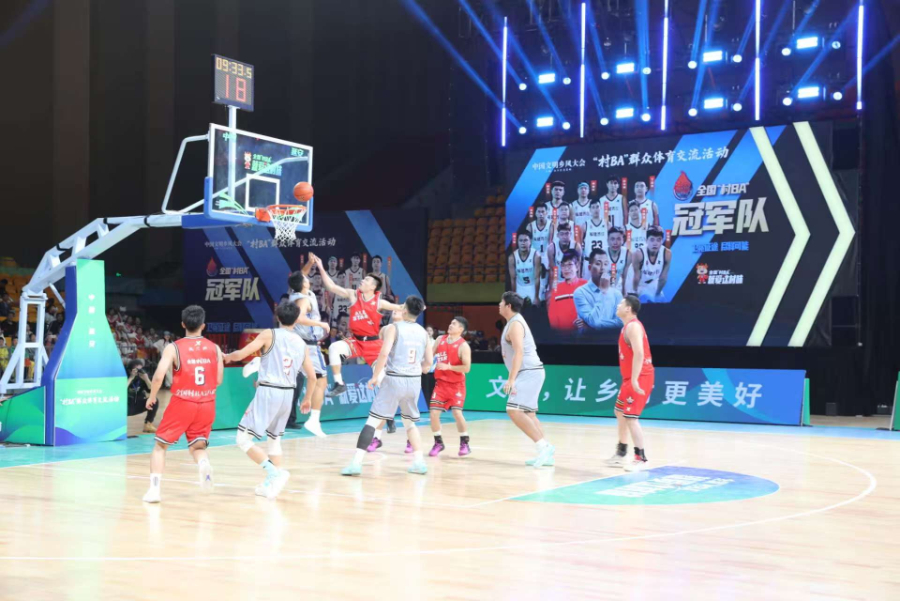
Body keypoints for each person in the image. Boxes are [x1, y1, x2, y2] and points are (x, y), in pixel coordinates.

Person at [224, 300, 316, 499]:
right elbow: (312, 377)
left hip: (269, 391)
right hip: (288, 394)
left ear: (277, 317)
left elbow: (241, 354)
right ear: (296, 320)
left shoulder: (269, 334)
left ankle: (274, 473)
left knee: (242, 439)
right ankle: (272, 485)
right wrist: (307, 398)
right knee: (274, 440)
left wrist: (226, 356)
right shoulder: (302, 344)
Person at [341, 296, 432, 477]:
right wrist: (417, 369)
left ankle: (356, 463)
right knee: (410, 424)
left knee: (372, 422)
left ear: (404, 309)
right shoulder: (423, 333)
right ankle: (419, 462)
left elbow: (383, 353)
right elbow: (428, 362)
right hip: (414, 381)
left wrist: (375, 376)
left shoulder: (394, 328)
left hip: (394, 379)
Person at [143, 305, 223, 504]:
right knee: (197, 447)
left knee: (160, 447)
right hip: (207, 402)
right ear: (203, 325)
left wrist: (152, 396)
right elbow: (219, 379)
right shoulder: (215, 348)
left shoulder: (174, 347)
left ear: (183, 324)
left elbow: (158, 376)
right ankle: (203, 464)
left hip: (183, 402)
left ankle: (154, 490)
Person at [312, 253, 403, 397]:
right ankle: (339, 384)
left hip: (373, 345)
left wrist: (415, 306)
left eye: (366, 280)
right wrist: (321, 267)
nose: (362, 280)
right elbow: (331, 286)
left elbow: (400, 308)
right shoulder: (353, 295)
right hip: (356, 341)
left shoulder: (379, 302)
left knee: (382, 381)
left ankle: (394, 407)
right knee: (334, 348)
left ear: (373, 286)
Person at [498, 292, 554, 467]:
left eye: (501, 302)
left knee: (513, 410)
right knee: (529, 414)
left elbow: (519, 352)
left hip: (528, 371)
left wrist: (511, 379)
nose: (499, 305)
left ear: (508, 306)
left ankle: (543, 447)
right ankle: (546, 454)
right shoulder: (512, 322)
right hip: (530, 371)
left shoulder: (515, 324)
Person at [606, 295, 654, 471]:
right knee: (619, 412)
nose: (617, 306)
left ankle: (641, 458)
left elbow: (639, 353)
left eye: (620, 303)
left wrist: (634, 379)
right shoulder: (627, 326)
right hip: (630, 378)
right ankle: (621, 453)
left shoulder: (633, 326)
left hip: (640, 377)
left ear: (628, 308)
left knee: (631, 418)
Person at [287, 266, 331, 437]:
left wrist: (311, 263)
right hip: (308, 346)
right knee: (321, 381)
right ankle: (314, 419)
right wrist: (320, 324)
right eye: (305, 278)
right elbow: (299, 318)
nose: (308, 278)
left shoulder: (297, 294)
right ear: (303, 284)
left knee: (290, 381)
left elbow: (299, 277)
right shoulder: (303, 300)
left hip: (296, 344)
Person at [427, 316, 472, 457]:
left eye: (454, 324)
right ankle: (438, 442)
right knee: (433, 414)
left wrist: (449, 367)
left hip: (456, 385)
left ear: (461, 329)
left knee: (457, 413)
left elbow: (467, 368)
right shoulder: (440, 339)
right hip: (441, 384)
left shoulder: (463, 346)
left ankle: (465, 443)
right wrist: (424, 364)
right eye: (451, 323)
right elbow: (430, 355)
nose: (450, 325)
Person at [574, 250, 624, 330]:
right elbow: (594, 321)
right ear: (590, 268)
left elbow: (621, 323)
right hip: (589, 338)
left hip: (611, 337)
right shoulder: (580, 292)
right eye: (598, 264)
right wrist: (603, 292)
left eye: (605, 264)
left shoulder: (616, 294)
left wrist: (591, 326)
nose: (602, 268)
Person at [547, 250, 588, 332]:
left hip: (583, 335)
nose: (566, 269)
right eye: (563, 265)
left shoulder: (586, 286)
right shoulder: (556, 288)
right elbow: (552, 316)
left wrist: (585, 324)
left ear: (577, 266)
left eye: (569, 265)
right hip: (562, 335)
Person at [631, 226, 671, 303]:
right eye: (652, 240)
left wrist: (658, 294)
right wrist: (635, 293)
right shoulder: (638, 254)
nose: (655, 243)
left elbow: (663, 278)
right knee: (645, 300)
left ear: (662, 241)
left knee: (663, 303)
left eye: (658, 240)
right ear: (646, 240)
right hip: (639, 284)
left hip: (653, 283)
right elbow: (636, 276)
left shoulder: (667, 253)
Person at [526, 204, 552, 301]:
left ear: (547, 213)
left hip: (545, 253)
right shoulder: (530, 226)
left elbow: (550, 242)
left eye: (543, 211)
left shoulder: (551, 224)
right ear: (535, 213)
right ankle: (533, 295)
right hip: (534, 253)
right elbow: (527, 243)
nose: (541, 214)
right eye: (539, 212)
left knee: (546, 275)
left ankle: (544, 294)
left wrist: (547, 256)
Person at [508, 230, 540, 304]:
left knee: (537, 303)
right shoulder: (512, 258)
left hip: (532, 285)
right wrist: (514, 295)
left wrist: (536, 296)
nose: (523, 243)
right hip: (520, 286)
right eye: (521, 240)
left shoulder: (536, 256)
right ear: (517, 242)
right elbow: (513, 279)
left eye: (525, 240)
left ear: (530, 241)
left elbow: (537, 278)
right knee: (516, 306)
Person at [547, 223, 583, 289]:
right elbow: (552, 270)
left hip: (573, 280)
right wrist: (552, 287)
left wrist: (577, 285)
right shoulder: (552, 248)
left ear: (570, 234)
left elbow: (578, 269)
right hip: (558, 281)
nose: (564, 237)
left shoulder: (576, 246)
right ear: (557, 235)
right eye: (562, 234)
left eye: (567, 234)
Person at [126, 359, 157, 433]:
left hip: (137, 405)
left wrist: (146, 379)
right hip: (125, 407)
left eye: (140, 369)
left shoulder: (142, 378)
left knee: (154, 401)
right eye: (136, 370)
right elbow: (120, 391)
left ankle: (148, 425)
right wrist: (131, 378)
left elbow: (152, 390)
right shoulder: (125, 376)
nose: (138, 372)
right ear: (130, 370)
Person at [581, 198, 609, 275]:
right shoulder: (585, 225)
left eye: (597, 207)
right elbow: (580, 244)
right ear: (590, 210)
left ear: (601, 208)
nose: (595, 209)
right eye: (593, 207)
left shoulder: (607, 224)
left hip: (603, 261)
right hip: (589, 260)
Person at [606, 227, 630, 295]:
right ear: (607, 240)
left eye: (618, 239)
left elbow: (625, 278)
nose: (615, 242)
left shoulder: (627, 254)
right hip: (604, 288)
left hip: (619, 288)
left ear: (623, 240)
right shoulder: (602, 254)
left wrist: (624, 294)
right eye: (612, 239)